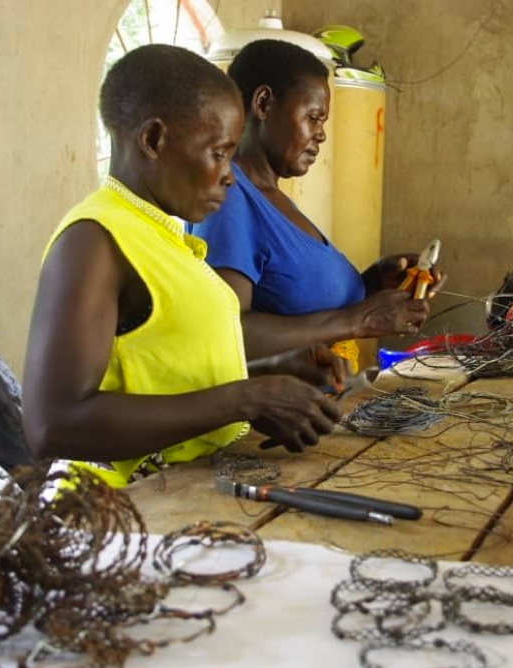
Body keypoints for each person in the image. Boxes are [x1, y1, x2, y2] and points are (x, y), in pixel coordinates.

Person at [22, 45, 343, 487]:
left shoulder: (161, 237)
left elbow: (159, 374)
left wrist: (273, 376)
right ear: (154, 140)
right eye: (218, 153)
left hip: (182, 498)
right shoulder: (94, 239)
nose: (230, 175)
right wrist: (245, 399)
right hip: (119, 514)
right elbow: (53, 423)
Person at [190, 39, 439, 369]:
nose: (321, 135)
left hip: (322, 402)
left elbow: (298, 303)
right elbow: (229, 333)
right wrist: (359, 319)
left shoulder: (273, 197)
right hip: (272, 415)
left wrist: (374, 281)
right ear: (263, 104)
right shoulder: (230, 199)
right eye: (313, 117)